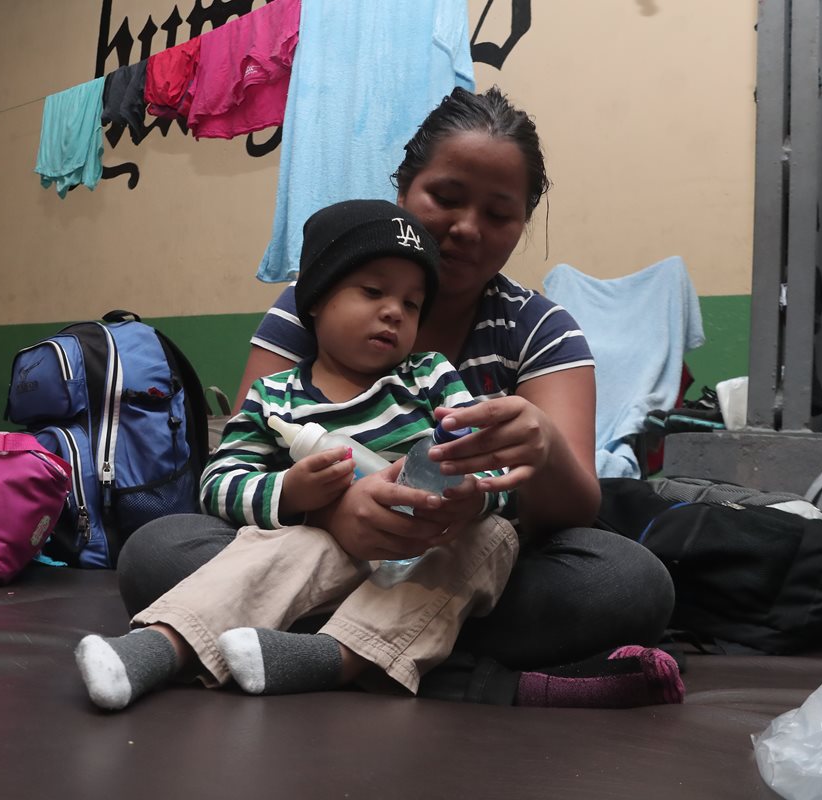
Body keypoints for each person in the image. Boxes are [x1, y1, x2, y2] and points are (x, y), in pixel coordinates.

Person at [117, 87, 679, 706]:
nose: (468, 228)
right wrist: (332, 514)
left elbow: (572, 512)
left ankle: (300, 646)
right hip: (312, 548)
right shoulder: (313, 304)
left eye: (499, 214)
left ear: (523, 223)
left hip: (452, 561)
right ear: (404, 190)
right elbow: (243, 462)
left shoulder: (540, 329)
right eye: (447, 197)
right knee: (158, 550)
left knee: (626, 583)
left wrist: (536, 454)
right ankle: (433, 669)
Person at [77, 199, 525, 709]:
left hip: (431, 548)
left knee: (493, 537)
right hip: (329, 550)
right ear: (314, 300)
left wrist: (472, 494)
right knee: (276, 546)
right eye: (373, 291)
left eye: (412, 303)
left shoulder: (429, 376)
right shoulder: (274, 398)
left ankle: (335, 657)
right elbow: (218, 483)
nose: (394, 312)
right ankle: (162, 645)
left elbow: (495, 458)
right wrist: (292, 495)